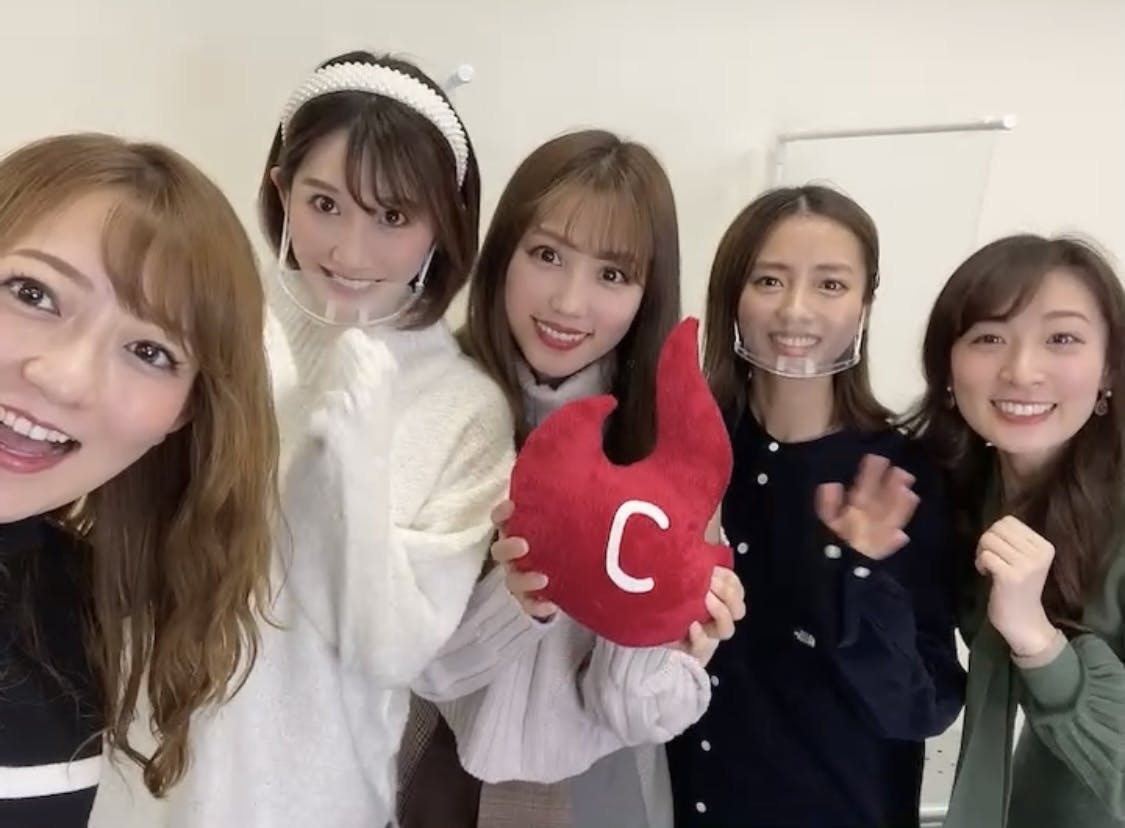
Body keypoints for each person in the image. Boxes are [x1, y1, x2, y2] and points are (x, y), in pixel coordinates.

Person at [118, 50, 515, 828]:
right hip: (145, 774)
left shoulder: (465, 409)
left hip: (323, 799)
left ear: (443, 222)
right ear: (281, 190)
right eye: (324, 204)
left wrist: (356, 471)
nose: (350, 251)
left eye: (392, 217)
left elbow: (391, 653)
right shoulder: (219, 322)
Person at [402, 130, 745, 828]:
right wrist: (518, 600)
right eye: (547, 255)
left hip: (595, 789)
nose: (568, 302)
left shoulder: (667, 445)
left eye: (611, 275)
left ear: (647, 293)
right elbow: (408, 659)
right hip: (429, 767)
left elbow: (641, 713)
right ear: (504, 254)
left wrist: (650, 638)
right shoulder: (433, 406)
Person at [0, 132, 277, 827]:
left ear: (184, 415)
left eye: (150, 351)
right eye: (32, 293)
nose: (64, 379)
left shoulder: (78, 601)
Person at [666, 185, 964, 828]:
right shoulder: (682, 451)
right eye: (769, 280)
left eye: (830, 285)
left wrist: (860, 574)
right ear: (732, 295)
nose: (795, 310)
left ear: (865, 305)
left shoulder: (904, 475)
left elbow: (922, 706)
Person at [906, 234, 1125, 828]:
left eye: (1062, 339)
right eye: (989, 337)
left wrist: (1039, 642)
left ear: (1109, 365)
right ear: (947, 365)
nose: (1022, 371)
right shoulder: (954, 492)